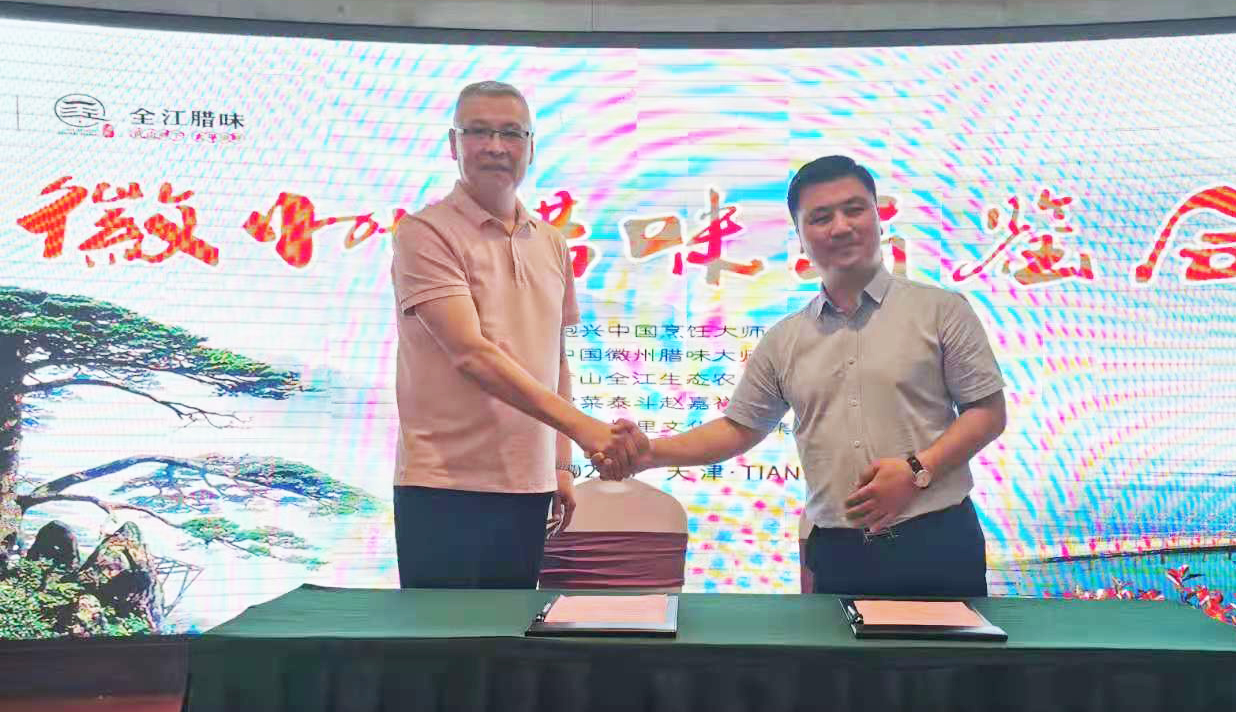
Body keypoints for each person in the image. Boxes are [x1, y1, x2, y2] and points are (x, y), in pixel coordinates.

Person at [597, 154, 1006, 597]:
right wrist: (650, 453)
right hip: (839, 552)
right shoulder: (785, 339)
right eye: (821, 217)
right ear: (800, 237)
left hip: (938, 540)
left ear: (878, 216)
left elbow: (987, 412)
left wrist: (917, 470)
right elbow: (738, 429)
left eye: (854, 209)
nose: (841, 227)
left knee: (951, 647)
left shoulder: (941, 310)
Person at [390, 80, 641, 588]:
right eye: (478, 131)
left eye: (510, 133)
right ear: (453, 143)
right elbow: (471, 354)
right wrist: (584, 428)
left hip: (529, 487)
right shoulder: (424, 232)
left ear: (531, 146)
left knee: (511, 633)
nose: (495, 146)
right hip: (444, 485)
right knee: (439, 637)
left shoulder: (551, 242)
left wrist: (560, 466)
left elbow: (557, 360)